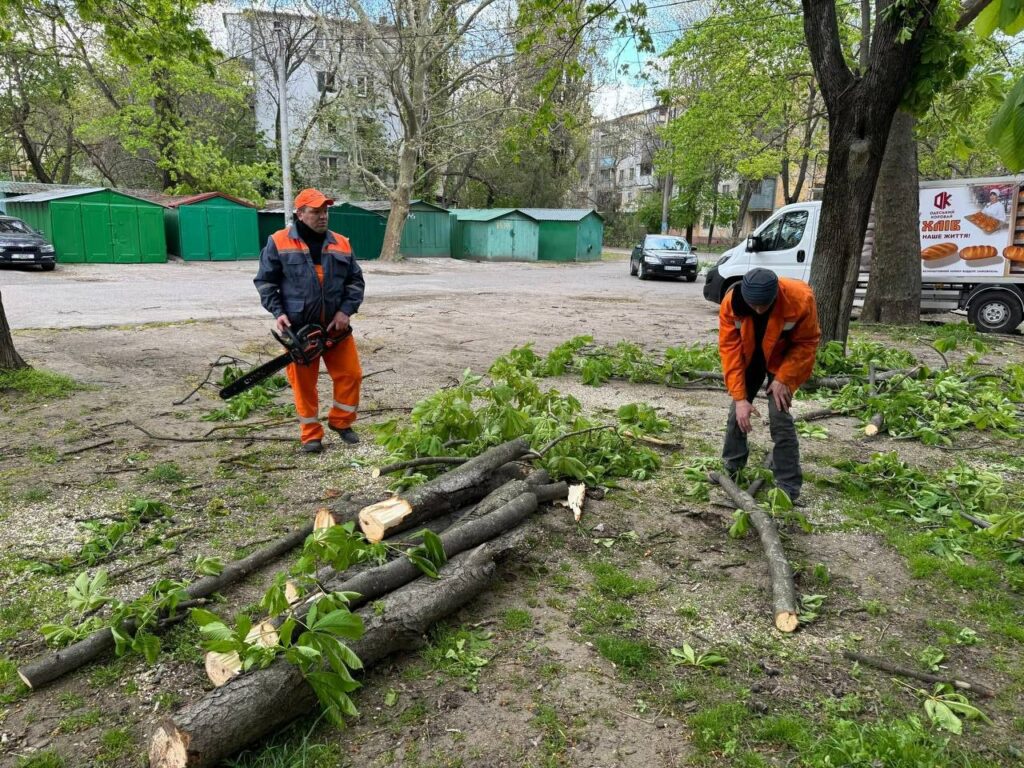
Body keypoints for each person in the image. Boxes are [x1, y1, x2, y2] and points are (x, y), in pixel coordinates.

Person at [254, 188, 365, 453]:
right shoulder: (278, 241)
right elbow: (265, 282)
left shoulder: (342, 243)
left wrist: (345, 311)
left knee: (351, 374)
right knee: (303, 385)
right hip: (300, 329)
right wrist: (278, 312)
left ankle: (341, 421)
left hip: (336, 328)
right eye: (316, 211)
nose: (323, 216)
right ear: (300, 213)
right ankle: (311, 435)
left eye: (325, 211)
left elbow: (355, 281)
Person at [719, 268, 820, 502]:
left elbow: (807, 342)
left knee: (779, 415)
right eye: (753, 305)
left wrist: (784, 377)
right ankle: (732, 467)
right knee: (737, 413)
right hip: (749, 359)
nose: (758, 310)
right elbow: (729, 350)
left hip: (783, 361)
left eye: (763, 305)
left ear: (774, 295)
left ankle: (788, 484)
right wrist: (740, 398)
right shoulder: (732, 303)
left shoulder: (800, 298)